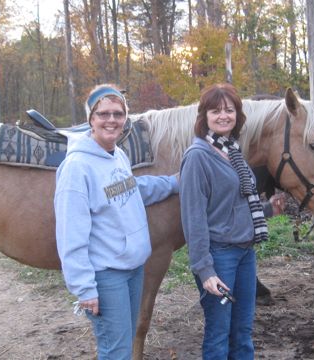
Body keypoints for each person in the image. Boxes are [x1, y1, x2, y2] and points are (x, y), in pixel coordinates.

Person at [54, 84, 178, 359]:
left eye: (118, 114)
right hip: (106, 275)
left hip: (132, 270)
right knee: (116, 352)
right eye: (104, 113)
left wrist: (173, 183)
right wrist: (84, 288)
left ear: (125, 119)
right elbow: (70, 232)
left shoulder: (117, 155)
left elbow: (132, 189)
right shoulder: (77, 168)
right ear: (91, 119)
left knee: (123, 345)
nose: (111, 120)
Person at [179, 83, 285, 359]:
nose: (223, 116)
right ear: (204, 117)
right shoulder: (198, 157)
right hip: (218, 257)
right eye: (216, 111)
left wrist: (268, 210)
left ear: (237, 114)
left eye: (229, 110)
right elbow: (194, 218)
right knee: (218, 334)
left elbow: (233, 205)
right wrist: (205, 270)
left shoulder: (232, 151)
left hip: (244, 254)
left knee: (242, 332)